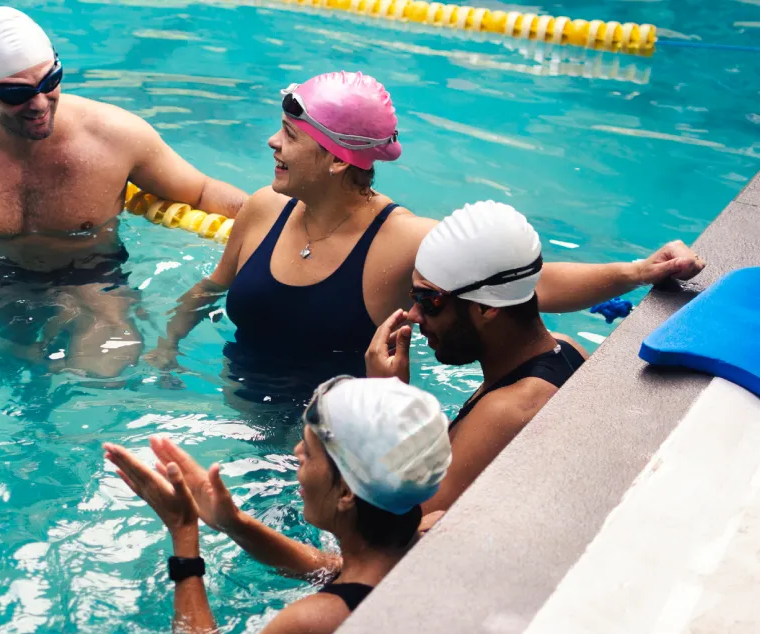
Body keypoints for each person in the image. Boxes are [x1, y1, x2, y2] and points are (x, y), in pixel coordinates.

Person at [146, 70, 705, 404]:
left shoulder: (403, 240)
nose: (272, 143)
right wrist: (166, 347)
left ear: (338, 161)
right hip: (237, 405)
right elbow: (212, 285)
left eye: (290, 135)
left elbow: (527, 287)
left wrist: (638, 271)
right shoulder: (264, 209)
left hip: (329, 438)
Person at [0, 6, 247, 379]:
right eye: (17, 93)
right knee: (12, 377)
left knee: (105, 378)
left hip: (93, 273)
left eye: (50, 82)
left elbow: (203, 192)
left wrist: (283, 217)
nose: (39, 104)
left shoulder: (114, 135)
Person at [364, 201, 701, 516]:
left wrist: (387, 400)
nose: (414, 314)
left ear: (488, 307)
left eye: (428, 298)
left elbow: (392, 529)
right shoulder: (564, 347)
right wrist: (640, 271)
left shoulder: (508, 411)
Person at [102, 375, 452, 633]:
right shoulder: (432, 532)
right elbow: (336, 568)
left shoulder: (316, 620)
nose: (297, 454)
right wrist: (233, 522)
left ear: (346, 492)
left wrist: (184, 537)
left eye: (308, 451)